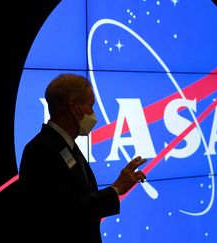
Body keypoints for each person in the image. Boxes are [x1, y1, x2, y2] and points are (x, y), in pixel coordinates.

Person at [18, 73, 147, 243]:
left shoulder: (67, 145)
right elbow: (65, 213)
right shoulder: (40, 150)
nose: (93, 114)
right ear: (73, 105)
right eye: (90, 106)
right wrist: (116, 189)